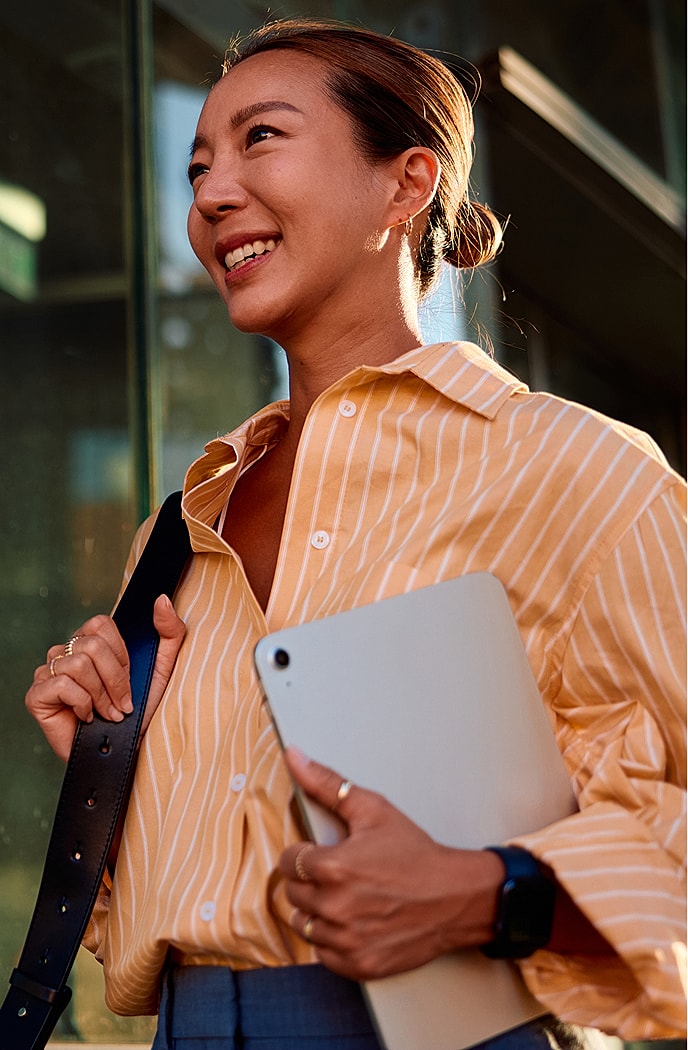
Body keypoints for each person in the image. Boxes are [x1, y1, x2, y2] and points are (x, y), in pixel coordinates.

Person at [25, 17, 685, 1050]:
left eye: (260, 140)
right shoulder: (177, 529)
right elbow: (172, 918)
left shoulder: (577, 473)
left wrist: (491, 894)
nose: (208, 193)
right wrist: (109, 765)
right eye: (196, 162)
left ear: (405, 183)